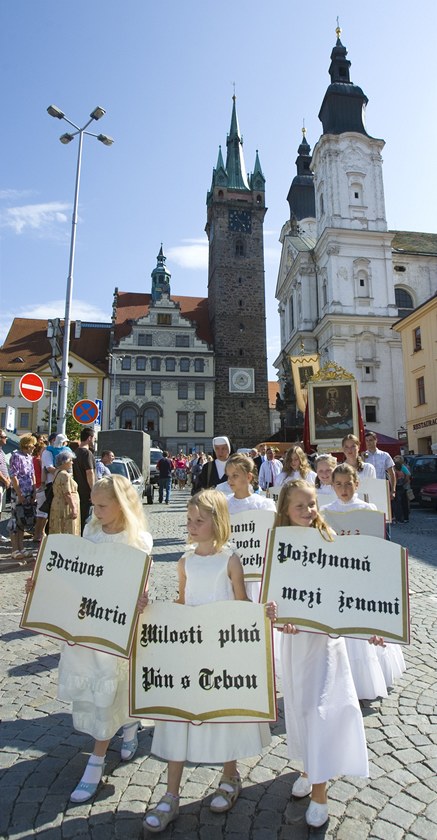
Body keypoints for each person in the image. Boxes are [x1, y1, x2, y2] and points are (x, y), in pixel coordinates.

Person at [143, 489, 273, 834]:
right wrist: (153, 612)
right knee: (179, 718)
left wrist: (262, 615)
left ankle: (230, 775)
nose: (192, 526)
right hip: (191, 649)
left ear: (217, 523)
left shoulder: (229, 560)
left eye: (199, 520)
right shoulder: (184, 561)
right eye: (189, 520)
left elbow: (241, 603)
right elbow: (182, 602)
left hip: (221, 648)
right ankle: (171, 793)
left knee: (222, 713)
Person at [27, 475, 153, 802]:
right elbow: (75, 574)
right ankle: (128, 726)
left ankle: (96, 762)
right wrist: (42, 584)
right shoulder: (91, 531)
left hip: (114, 627)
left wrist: (142, 599)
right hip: (86, 625)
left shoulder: (136, 540)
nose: (95, 511)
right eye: (93, 504)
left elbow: (140, 584)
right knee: (100, 686)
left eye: (101, 505)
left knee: (111, 682)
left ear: (121, 505)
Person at [276, 480, 368, 828]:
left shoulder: (329, 539)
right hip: (296, 641)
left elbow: (350, 589)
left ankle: (320, 791)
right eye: (300, 506)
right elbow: (275, 595)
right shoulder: (280, 546)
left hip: (325, 641)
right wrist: (275, 614)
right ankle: (307, 766)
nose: (308, 511)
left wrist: (372, 626)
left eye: (312, 504)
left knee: (320, 708)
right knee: (299, 707)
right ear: (285, 510)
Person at [319, 465, 388, 701]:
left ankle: (363, 682)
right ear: (332, 485)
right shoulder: (325, 512)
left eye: (348, 484)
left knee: (360, 632)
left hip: (361, 578)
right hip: (338, 579)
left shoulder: (368, 510)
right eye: (338, 484)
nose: (344, 489)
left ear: (356, 484)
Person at [8, 434, 37, 561]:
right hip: (19, 492)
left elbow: (32, 474)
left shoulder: (29, 457)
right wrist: (19, 493)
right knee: (15, 520)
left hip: (28, 492)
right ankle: (15, 549)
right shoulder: (16, 456)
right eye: (32, 445)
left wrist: (34, 492)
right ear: (27, 445)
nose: (34, 447)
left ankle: (21, 547)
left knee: (23, 520)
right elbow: (14, 476)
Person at [49, 450, 81, 536]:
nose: (72, 463)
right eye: (70, 460)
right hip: (65, 506)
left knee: (58, 528)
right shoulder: (64, 475)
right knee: (67, 529)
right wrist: (74, 508)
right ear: (65, 461)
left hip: (58, 503)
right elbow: (67, 493)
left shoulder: (57, 472)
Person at [72, 427, 96, 534]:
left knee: (80, 520)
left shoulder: (75, 452)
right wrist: (93, 491)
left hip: (77, 490)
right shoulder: (87, 453)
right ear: (90, 438)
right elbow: (89, 472)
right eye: (94, 438)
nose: (94, 440)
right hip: (87, 492)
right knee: (87, 520)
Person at [364, 431, 396, 503]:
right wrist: (362, 459)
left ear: (376, 440)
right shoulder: (363, 456)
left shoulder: (384, 455)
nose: (368, 443)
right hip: (368, 488)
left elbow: (392, 473)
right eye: (367, 441)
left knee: (383, 512)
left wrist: (393, 490)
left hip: (381, 488)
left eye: (371, 440)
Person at [32, 441, 49, 544]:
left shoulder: (34, 459)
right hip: (41, 487)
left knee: (41, 513)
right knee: (42, 513)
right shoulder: (39, 460)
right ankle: (38, 534)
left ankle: (39, 533)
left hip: (37, 487)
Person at [393, 456, 411, 523]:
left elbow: (408, 475)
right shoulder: (402, 468)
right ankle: (404, 517)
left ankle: (400, 518)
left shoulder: (402, 467)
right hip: (402, 487)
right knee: (403, 503)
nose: (394, 459)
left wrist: (404, 482)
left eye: (396, 458)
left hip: (400, 487)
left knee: (399, 503)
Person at [0, 429, 11, 538]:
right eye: (4, 437)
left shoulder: (2, 451)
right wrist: (6, 480)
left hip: (2, 483)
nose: (6, 438)